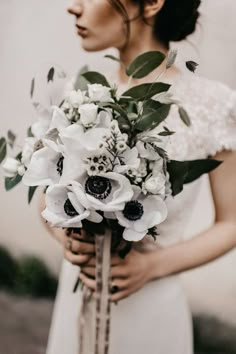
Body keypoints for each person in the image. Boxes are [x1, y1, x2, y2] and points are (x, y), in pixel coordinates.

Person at [42, 1, 236, 353]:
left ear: (151, 3)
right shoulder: (79, 94)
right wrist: (66, 238)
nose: (73, 7)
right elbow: (46, 197)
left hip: (152, 305)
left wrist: (152, 265)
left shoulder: (213, 105)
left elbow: (232, 223)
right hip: (79, 295)